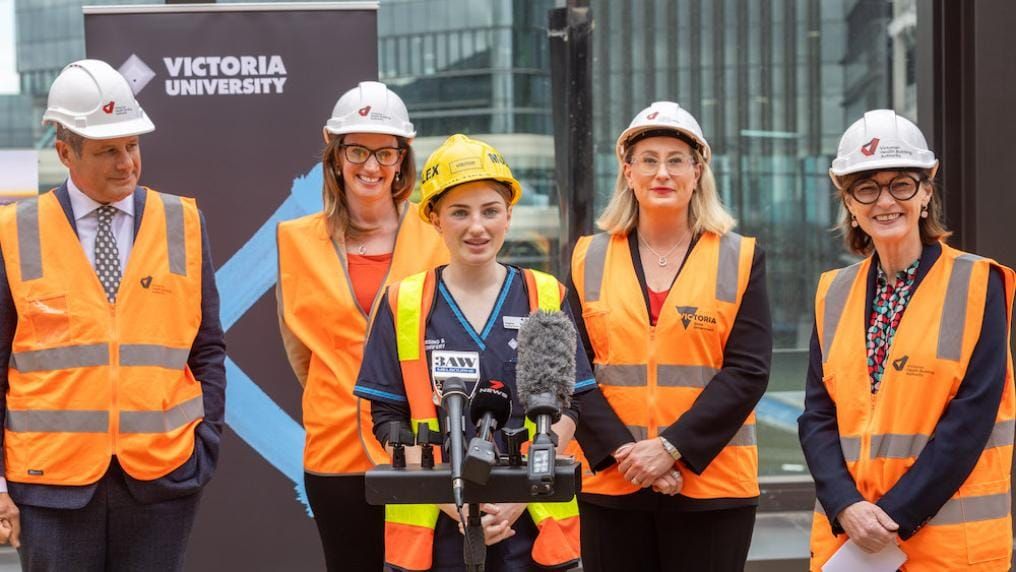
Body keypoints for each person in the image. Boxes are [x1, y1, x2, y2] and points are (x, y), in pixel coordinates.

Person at [0, 59, 226, 570]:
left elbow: (208, 347)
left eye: (132, 146)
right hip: (48, 487)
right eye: (107, 151)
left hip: (163, 478)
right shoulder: (14, 233)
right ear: (65, 152)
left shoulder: (183, 222)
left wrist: (203, 444)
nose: (126, 163)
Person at [353, 134, 593, 571]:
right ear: (435, 219)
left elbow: (571, 403)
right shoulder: (402, 302)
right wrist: (456, 500)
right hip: (436, 526)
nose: (476, 227)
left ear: (509, 215)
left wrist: (516, 495)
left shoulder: (545, 294)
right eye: (459, 212)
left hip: (533, 523)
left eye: (490, 211)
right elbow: (387, 419)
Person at [798, 109, 1015, 569]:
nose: (885, 201)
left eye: (901, 184)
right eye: (867, 187)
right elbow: (818, 415)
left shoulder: (978, 283)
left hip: (946, 548)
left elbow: (971, 420)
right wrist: (846, 506)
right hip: (850, 541)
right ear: (850, 204)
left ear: (925, 193)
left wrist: (892, 518)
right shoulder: (833, 293)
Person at [569, 101, 772, 571]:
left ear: (697, 171)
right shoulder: (587, 257)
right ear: (628, 171)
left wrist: (670, 450)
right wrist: (628, 456)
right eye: (649, 159)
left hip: (712, 489)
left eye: (676, 159)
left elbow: (748, 371)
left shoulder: (740, 257)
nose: (663, 173)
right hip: (612, 487)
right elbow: (572, 371)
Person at [275, 81, 448, 571]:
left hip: (420, 447)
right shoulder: (296, 241)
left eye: (385, 152)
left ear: (402, 159)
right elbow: (300, 351)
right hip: (334, 450)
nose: (371, 166)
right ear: (335, 155)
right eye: (357, 150)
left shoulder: (437, 237)